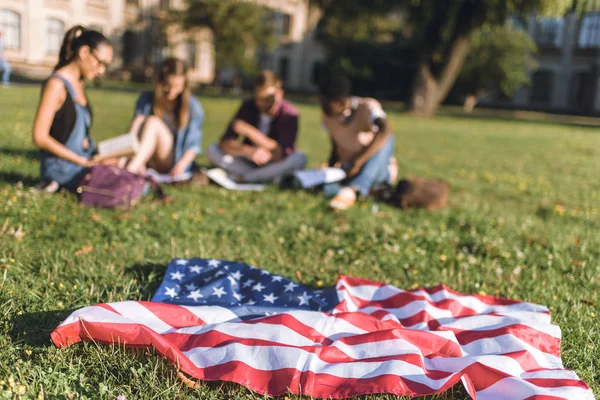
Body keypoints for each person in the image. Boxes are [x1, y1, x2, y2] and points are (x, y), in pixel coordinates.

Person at [32, 26, 113, 190]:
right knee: (122, 185)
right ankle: (51, 183)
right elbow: (39, 137)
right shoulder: (56, 85)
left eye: (106, 66)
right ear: (84, 52)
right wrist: (81, 160)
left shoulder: (80, 84)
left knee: (130, 171)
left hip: (82, 161)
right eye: (100, 63)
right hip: (62, 168)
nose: (101, 70)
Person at [207, 70, 306, 184]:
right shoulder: (248, 106)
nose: (261, 103)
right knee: (212, 149)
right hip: (248, 161)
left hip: (274, 163)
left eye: (267, 99)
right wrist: (247, 151)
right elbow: (224, 143)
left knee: (299, 158)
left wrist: (249, 131)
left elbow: (280, 154)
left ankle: (245, 178)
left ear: (279, 94)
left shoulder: (289, 113)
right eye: (258, 98)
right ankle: (266, 177)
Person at [319, 72, 397, 210]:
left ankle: (354, 189)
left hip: (374, 167)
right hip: (347, 169)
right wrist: (332, 169)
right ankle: (365, 190)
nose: (322, 107)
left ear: (342, 102)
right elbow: (335, 145)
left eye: (326, 103)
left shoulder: (367, 107)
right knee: (323, 187)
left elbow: (385, 130)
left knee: (387, 137)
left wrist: (358, 161)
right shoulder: (328, 116)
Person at [126, 57, 204, 177]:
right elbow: (135, 130)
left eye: (177, 86)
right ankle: (129, 167)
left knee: (152, 122)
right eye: (168, 85)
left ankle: (129, 171)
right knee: (140, 121)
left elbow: (193, 144)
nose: (172, 91)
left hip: (171, 160)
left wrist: (181, 165)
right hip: (147, 157)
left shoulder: (192, 106)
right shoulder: (146, 99)